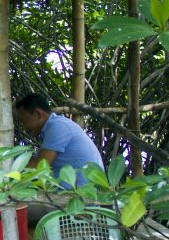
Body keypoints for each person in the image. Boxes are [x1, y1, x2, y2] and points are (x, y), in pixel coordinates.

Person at [15, 92, 104, 223]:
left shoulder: (58, 127)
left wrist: (6, 166)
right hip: (69, 196)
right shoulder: (55, 126)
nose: (24, 127)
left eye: (25, 121)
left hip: (79, 202)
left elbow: (39, 167)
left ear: (38, 114)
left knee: (10, 210)